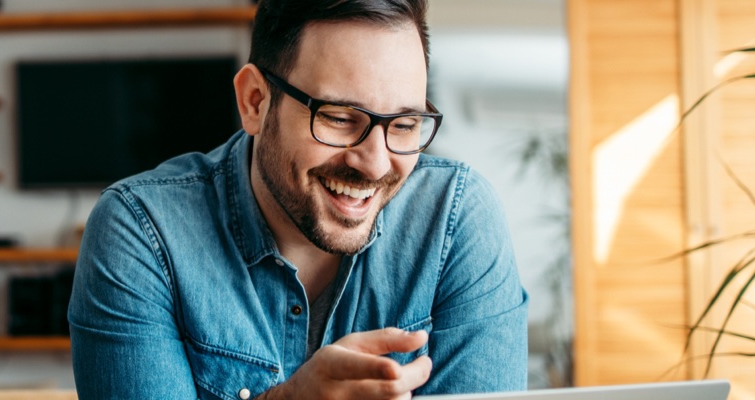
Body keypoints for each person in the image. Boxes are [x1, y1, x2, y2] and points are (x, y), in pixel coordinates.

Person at [68, 0, 528, 398]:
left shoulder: (456, 219)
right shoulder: (141, 233)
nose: (375, 163)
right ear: (254, 102)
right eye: (340, 117)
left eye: (405, 125)